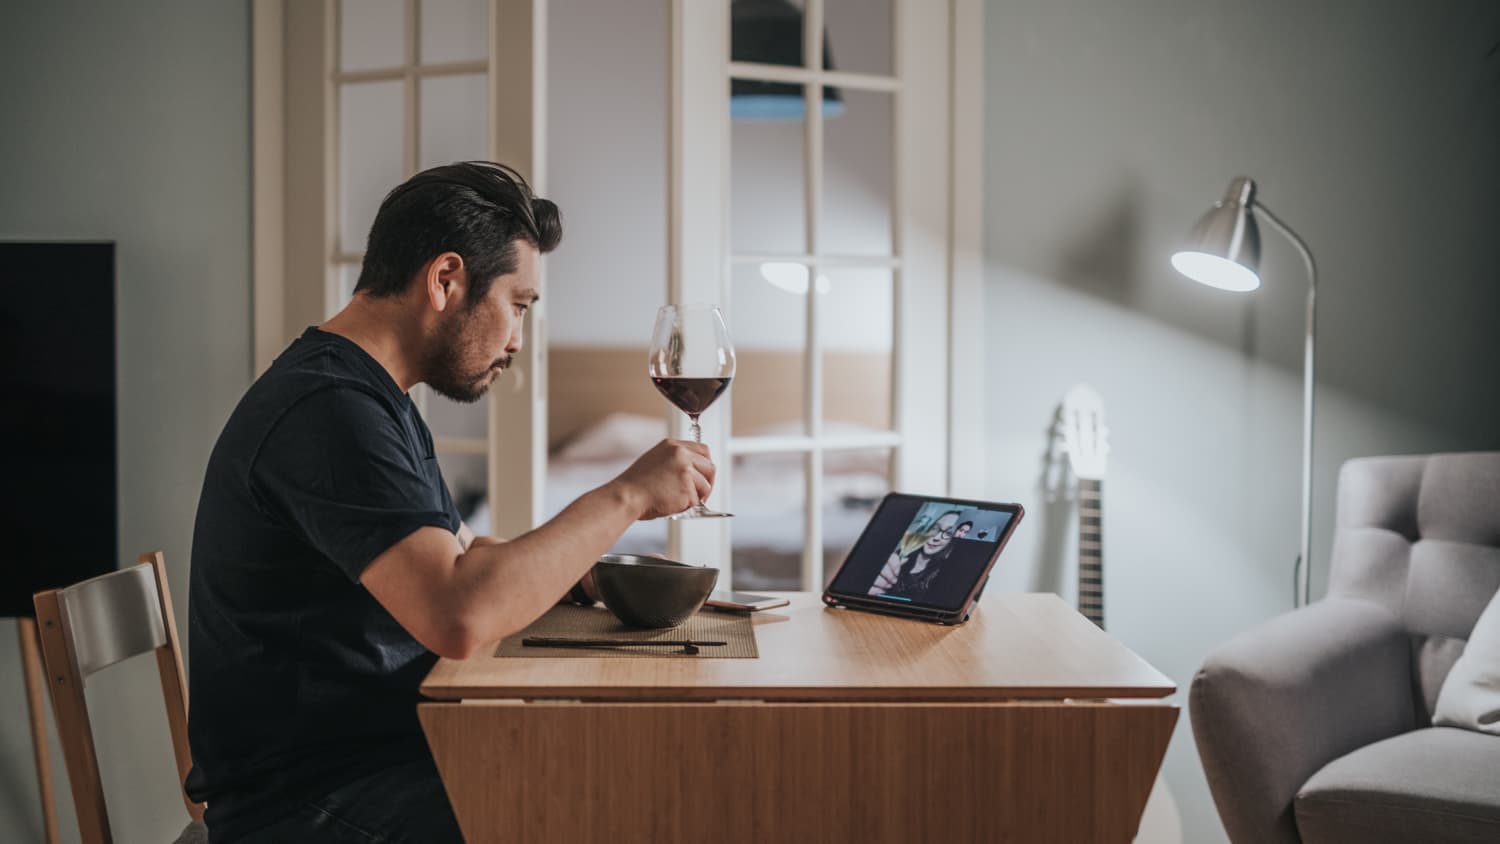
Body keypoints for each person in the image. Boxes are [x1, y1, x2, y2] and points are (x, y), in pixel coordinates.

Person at [186, 162, 715, 843]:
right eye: (518, 304)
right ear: (445, 280)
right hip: (310, 802)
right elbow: (461, 614)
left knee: (620, 777)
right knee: (613, 807)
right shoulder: (330, 409)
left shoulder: (371, 397)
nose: (519, 338)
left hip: (374, 760)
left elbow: (469, 556)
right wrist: (627, 494)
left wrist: (587, 572)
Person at [869, 510, 962, 599]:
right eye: (935, 528)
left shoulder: (943, 578)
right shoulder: (896, 556)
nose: (936, 537)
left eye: (949, 533)